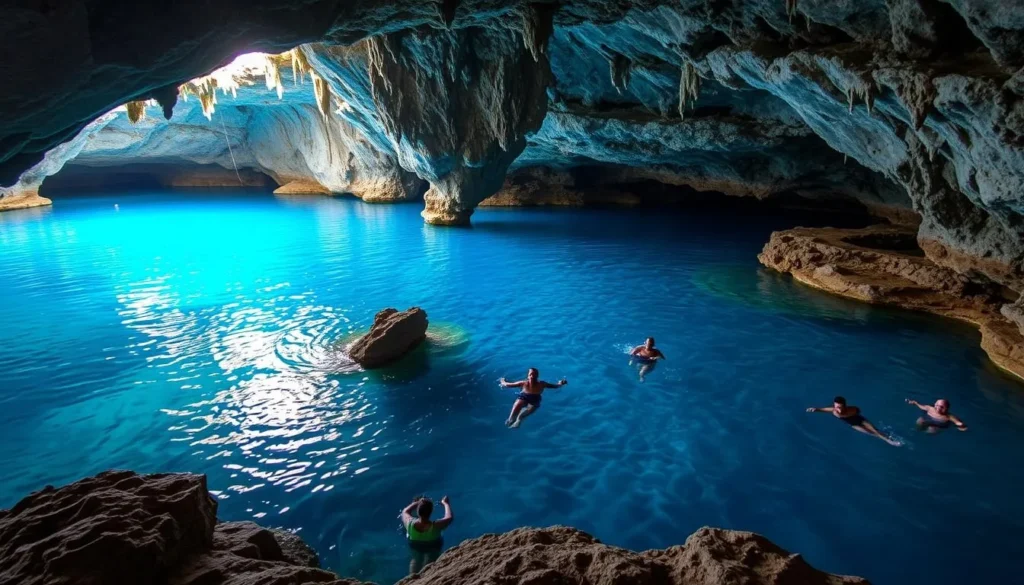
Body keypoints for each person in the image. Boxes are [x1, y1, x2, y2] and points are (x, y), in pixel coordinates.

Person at [806, 396, 901, 446]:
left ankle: (889, 441)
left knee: (875, 430)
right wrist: (814, 409)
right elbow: (822, 410)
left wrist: (854, 414)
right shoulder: (833, 411)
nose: (837, 409)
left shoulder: (851, 409)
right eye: (835, 406)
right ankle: (887, 437)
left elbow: (858, 410)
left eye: (839, 407)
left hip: (860, 420)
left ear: (844, 405)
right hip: (853, 424)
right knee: (872, 433)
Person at [400, 496, 453, 575]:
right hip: (433, 547)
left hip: (416, 546)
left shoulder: (409, 524)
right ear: (431, 512)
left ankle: (412, 577)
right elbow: (449, 517)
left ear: (418, 511)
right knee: (430, 564)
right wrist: (445, 503)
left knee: (416, 559)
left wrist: (417, 503)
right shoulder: (436, 526)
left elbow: (405, 511)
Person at [499, 368, 567, 428]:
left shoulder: (534, 383)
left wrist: (502, 380)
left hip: (530, 398)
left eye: (533, 375)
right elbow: (507, 385)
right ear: (528, 376)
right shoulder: (535, 383)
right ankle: (514, 420)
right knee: (520, 410)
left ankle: (516, 421)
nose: (532, 376)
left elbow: (507, 385)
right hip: (530, 398)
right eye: (531, 375)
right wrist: (503, 381)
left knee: (519, 413)